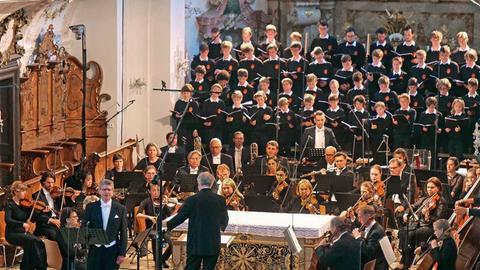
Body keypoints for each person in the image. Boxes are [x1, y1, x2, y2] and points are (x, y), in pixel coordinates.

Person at [166, 172, 229, 270]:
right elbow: (225, 219)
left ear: (198, 183)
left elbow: (180, 217)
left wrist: (167, 225)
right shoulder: (220, 200)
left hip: (196, 242)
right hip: (212, 242)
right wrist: (220, 228)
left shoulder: (192, 200)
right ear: (212, 183)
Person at [396, 177, 448, 268]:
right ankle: (405, 258)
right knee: (403, 232)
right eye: (428, 187)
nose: (429, 190)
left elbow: (438, 220)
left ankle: (408, 263)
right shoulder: (425, 199)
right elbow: (412, 206)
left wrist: (427, 216)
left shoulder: (441, 202)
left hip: (431, 228)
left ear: (438, 188)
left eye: (432, 187)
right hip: (419, 224)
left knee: (411, 234)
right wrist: (406, 213)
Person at [83, 179, 128, 270]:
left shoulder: (121, 209)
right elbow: (85, 227)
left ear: (113, 191)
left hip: (112, 250)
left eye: (109, 189)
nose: (106, 192)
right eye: (104, 189)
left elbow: (124, 233)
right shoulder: (91, 207)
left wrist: (122, 253)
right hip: (95, 250)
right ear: (99, 191)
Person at [5, 181, 48, 270]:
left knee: (40, 242)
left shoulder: (25, 205)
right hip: (12, 234)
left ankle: (39, 267)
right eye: (23, 191)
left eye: (25, 190)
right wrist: (22, 223)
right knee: (32, 241)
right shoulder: (10, 205)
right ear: (16, 192)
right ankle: (37, 265)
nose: (25, 193)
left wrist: (41, 212)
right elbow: (8, 220)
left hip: (23, 233)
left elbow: (33, 219)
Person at [136, 184, 173, 268]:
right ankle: (157, 263)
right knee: (156, 238)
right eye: (153, 190)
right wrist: (149, 217)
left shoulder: (163, 202)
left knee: (173, 243)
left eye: (158, 190)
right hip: (151, 229)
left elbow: (170, 216)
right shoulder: (146, 201)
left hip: (163, 229)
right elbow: (138, 214)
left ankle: (162, 259)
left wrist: (169, 205)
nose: (156, 192)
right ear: (150, 191)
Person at [352, 205, 388, 270]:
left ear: (368, 217)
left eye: (360, 217)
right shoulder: (372, 227)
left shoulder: (376, 232)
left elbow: (368, 252)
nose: (359, 220)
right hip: (373, 261)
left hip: (376, 266)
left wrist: (358, 237)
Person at [32, 171, 61, 240]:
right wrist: (50, 220)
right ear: (43, 182)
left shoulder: (56, 194)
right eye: (48, 182)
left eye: (52, 182)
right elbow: (35, 216)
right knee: (56, 236)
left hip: (57, 222)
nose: (51, 185)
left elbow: (60, 209)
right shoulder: (37, 195)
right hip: (44, 225)